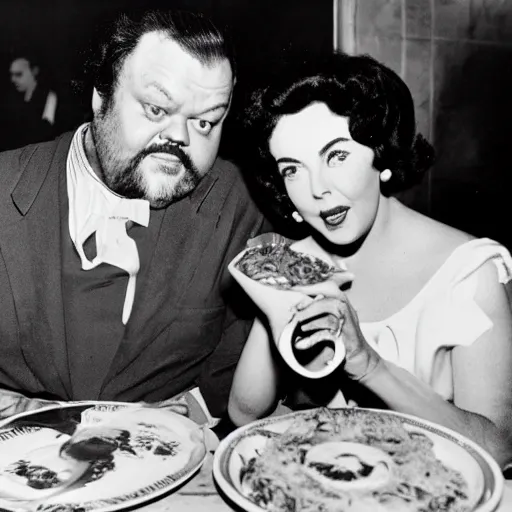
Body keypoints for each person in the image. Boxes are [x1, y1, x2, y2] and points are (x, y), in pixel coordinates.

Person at [228, 52, 512, 468]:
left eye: (337, 156)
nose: (316, 189)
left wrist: (370, 366)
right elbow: (245, 415)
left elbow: (500, 449)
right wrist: (271, 292)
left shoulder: (471, 273)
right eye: (292, 170)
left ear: (380, 152)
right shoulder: (297, 262)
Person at [0, 9, 268, 426]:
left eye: (205, 121)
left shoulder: (238, 206)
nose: (180, 138)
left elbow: (239, 370)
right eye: (157, 109)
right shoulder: (4, 189)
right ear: (100, 95)